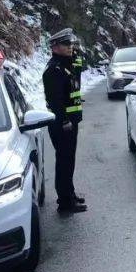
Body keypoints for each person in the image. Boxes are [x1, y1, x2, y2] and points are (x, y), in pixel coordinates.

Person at [42, 29, 87, 213]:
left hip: (71, 123)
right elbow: (55, 102)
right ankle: (65, 202)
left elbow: (78, 66)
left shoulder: (67, 65)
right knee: (64, 162)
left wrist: (75, 53)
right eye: (66, 44)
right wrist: (64, 121)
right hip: (62, 125)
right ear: (55, 47)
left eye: (71, 44)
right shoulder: (54, 70)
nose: (70, 47)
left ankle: (70, 193)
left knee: (69, 161)